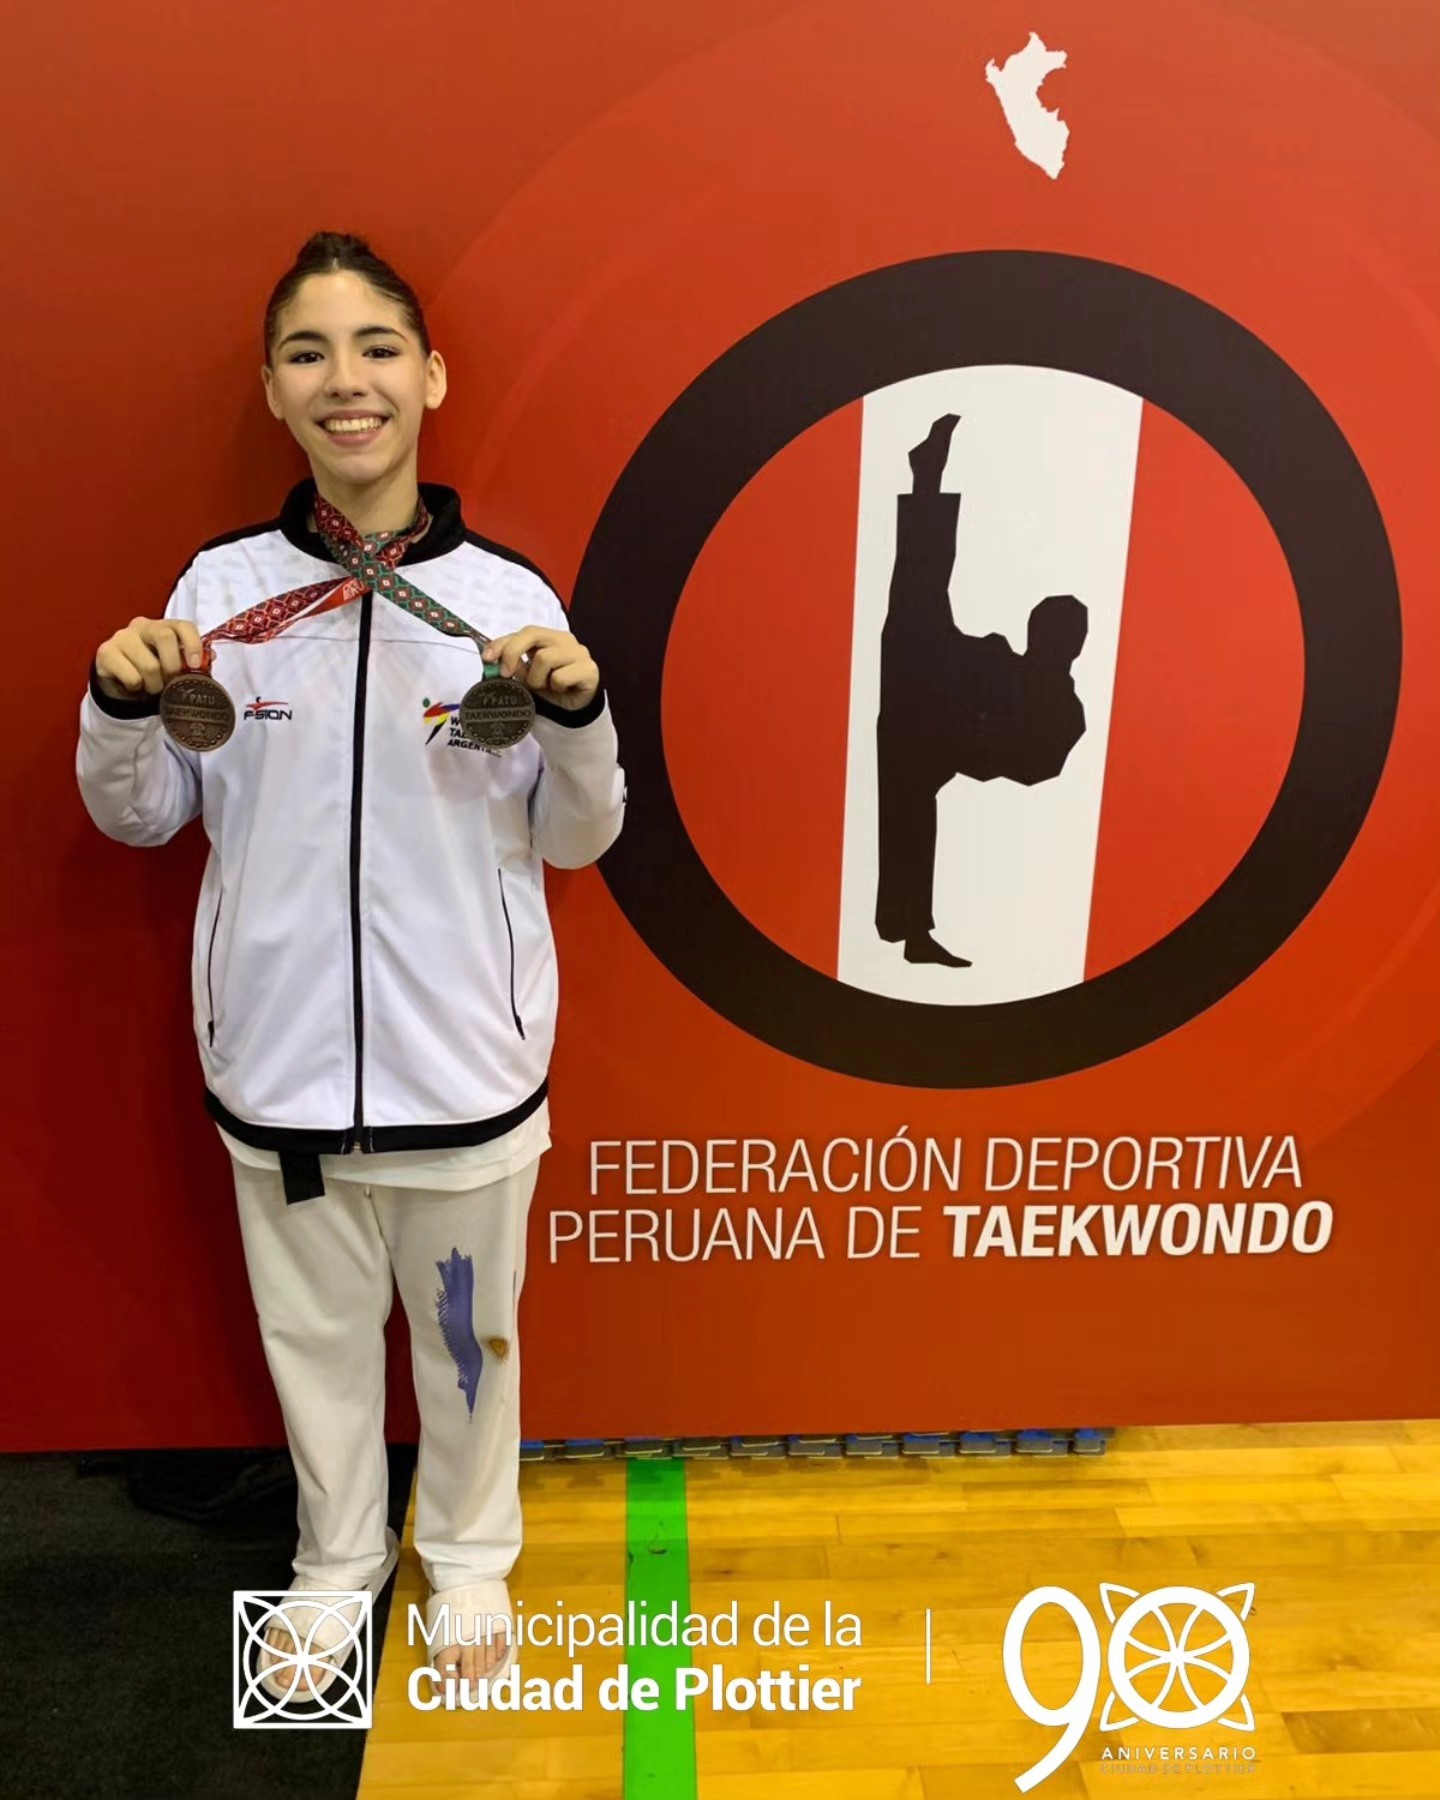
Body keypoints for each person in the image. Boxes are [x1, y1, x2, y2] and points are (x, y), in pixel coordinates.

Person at [75, 231, 625, 1701]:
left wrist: (579, 719)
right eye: (308, 353)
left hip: (467, 1075)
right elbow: (142, 815)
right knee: (312, 1348)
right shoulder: (220, 591)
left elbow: (577, 839)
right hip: (281, 1073)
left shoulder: (508, 600)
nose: (347, 380)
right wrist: (117, 705)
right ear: (272, 389)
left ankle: (470, 1559)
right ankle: (336, 1564)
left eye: (377, 347)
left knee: (468, 1346)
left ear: (431, 377)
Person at [874, 413, 1087, 966]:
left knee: (910, 801)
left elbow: (1036, 764)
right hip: (928, 689)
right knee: (919, 598)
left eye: (1051, 636)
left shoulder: (1062, 708)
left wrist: (970, 730)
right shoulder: (1009, 664)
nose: (1039, 639)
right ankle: (927, 478)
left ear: (1070, 646)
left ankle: (911, 932)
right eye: (1039, 630)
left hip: (939, 722)